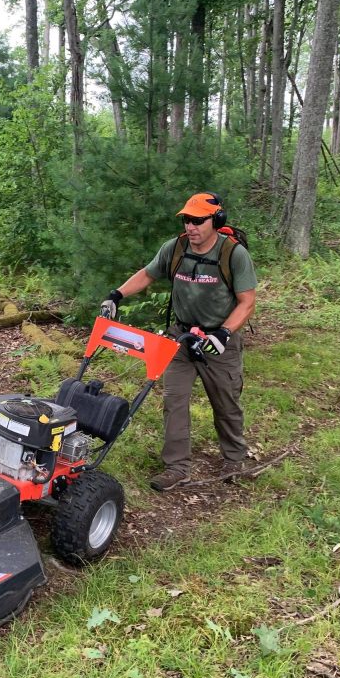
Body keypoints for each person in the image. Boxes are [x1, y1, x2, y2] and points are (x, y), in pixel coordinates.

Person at [100, 192, 257, 491]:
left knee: (225, 401)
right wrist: (116, 295)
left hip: (218, 340)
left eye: (198, 220)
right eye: (187, 219)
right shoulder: (175, 249)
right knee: (174, 400)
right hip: (181, 338)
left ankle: (235, 458)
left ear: (216, 220)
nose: (191, 226)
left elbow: (247, 302)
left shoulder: (233, 254)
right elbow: (147, 274)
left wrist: (224, 333)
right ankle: (177, 467)